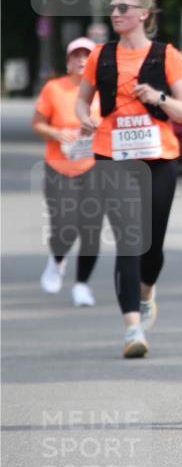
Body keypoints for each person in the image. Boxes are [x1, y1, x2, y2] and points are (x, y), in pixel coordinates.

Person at [76, 0, 182, 358]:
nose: (116, 13)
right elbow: (82, 101)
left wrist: (158, 97)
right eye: (113, 7)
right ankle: (132, 329)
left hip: (158, 159)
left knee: (152, 245)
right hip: (112, 156)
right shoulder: (100, 55)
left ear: (144, 14)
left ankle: (146, 293)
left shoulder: (166, 55)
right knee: (128, 240)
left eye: (123, 8)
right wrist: (85, 119)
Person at [33, 37, 103, 306]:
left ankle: (82, 285)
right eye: (76, 55)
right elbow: (37, 124)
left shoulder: (103, 91)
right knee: (65, 225)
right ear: (68, 61)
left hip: (94, 167)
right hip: (59, 167)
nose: (82, 60)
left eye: (87, 55)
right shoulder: (54, 89)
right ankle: (57, 260)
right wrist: (57, 133)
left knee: (91, 228)